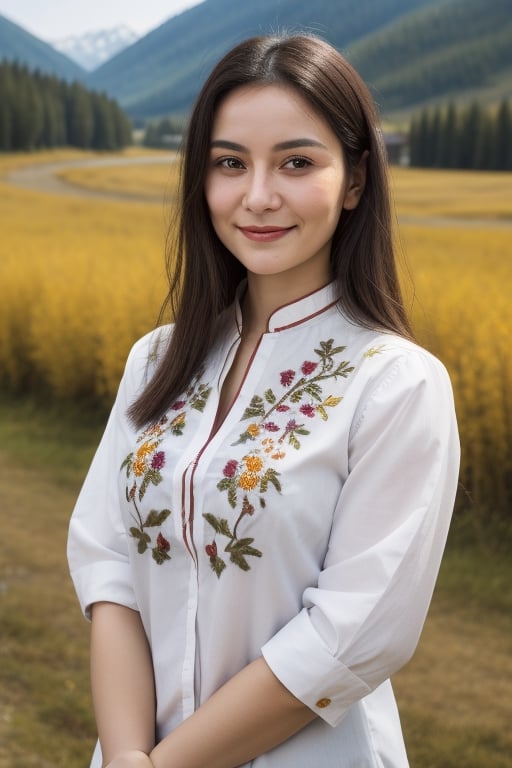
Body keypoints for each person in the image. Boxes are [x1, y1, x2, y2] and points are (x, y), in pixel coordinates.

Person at [67, 33, 460, 768]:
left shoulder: (396, 385)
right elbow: (109, 564)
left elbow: (351, 635)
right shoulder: (157, 358)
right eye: (229, 163)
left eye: (297, 162)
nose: (257, 197)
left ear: (354, 182)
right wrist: (124, 755)